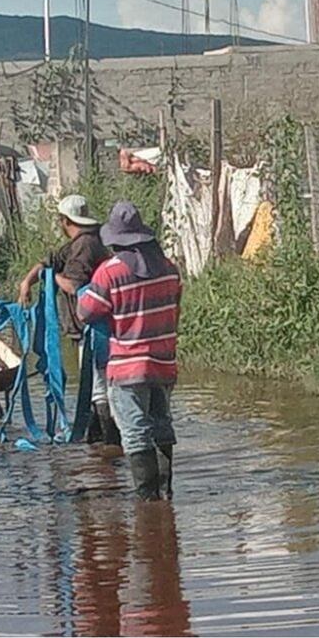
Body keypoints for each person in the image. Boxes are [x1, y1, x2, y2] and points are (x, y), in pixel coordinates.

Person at [77, 201, 182, 501]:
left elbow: (86, 312)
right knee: (162, 425)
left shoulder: (110, 273)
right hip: (164, 362)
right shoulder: (169, 268)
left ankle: (147, 499)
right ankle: (166, 492)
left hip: (127, 367)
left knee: (135, 431)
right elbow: (176, 309)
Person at [16, 194, 120, 447]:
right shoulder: (81, 242)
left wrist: (51, 277)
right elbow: (48, 260)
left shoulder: (84, 245)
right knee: (97, 386)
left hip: (96, 328)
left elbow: (74, 285)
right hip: (91, 326)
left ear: (64, 220)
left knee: (98, 387)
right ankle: (96, 444)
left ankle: (110, 445)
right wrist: (27, 281)